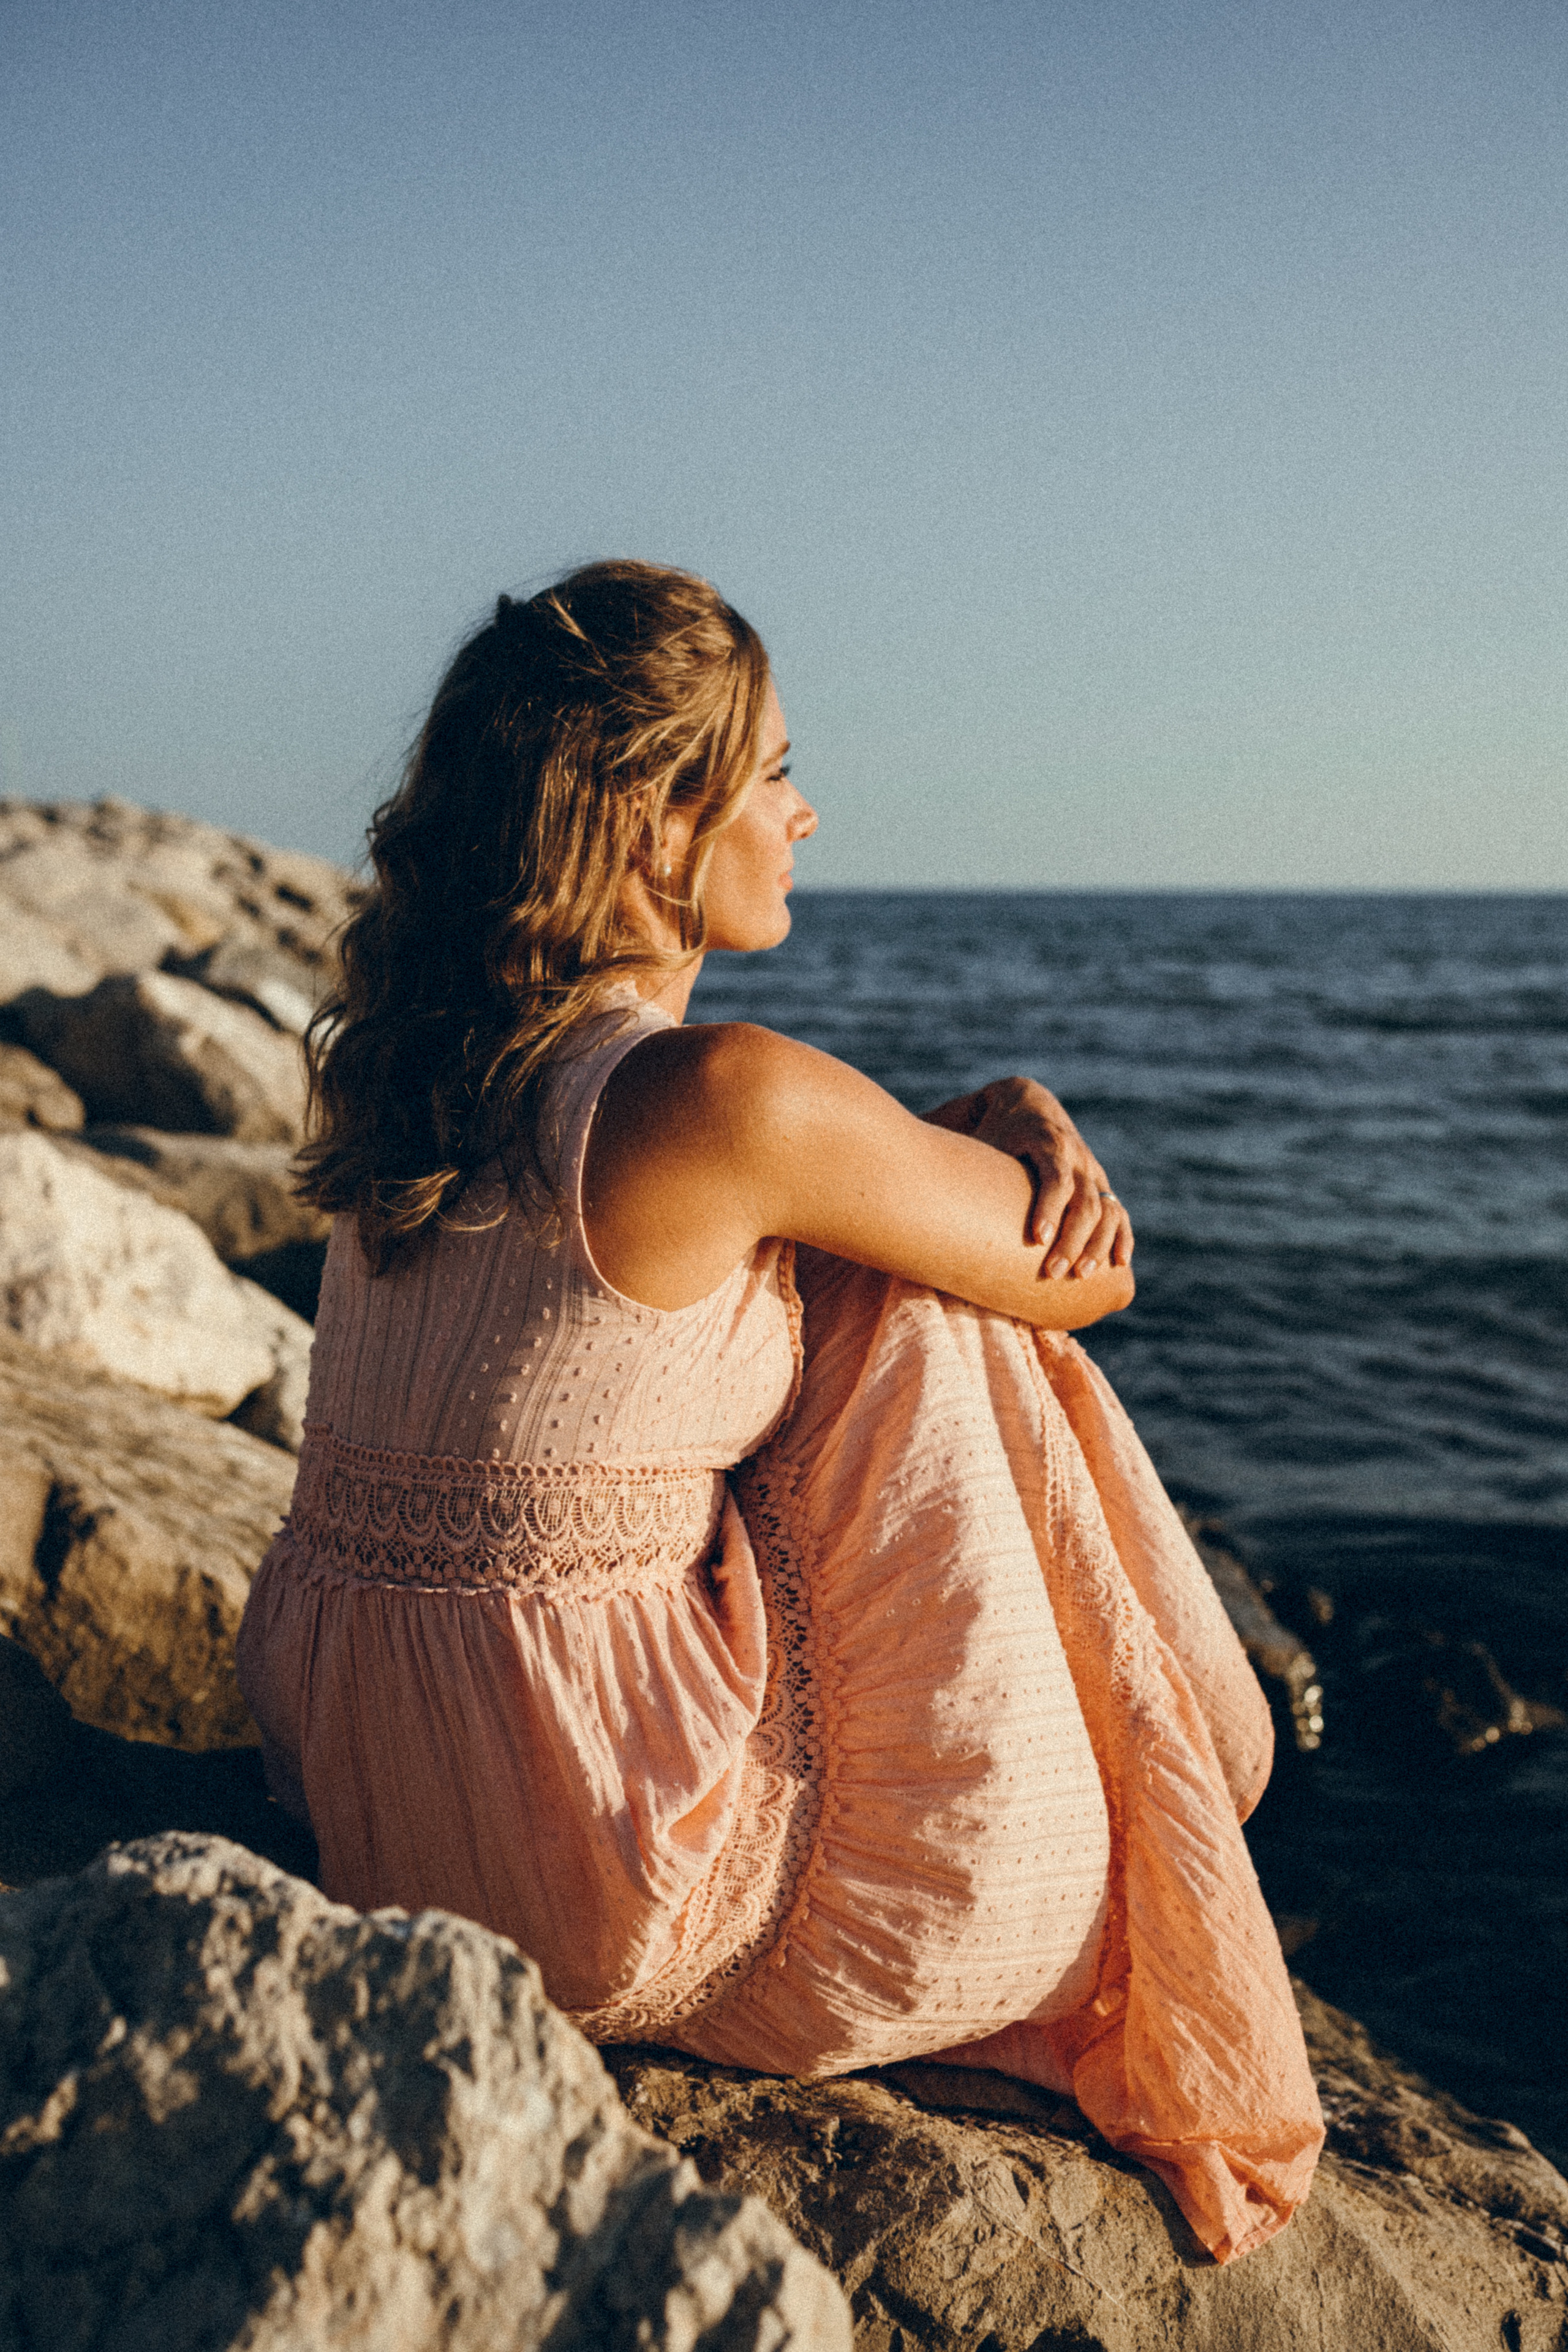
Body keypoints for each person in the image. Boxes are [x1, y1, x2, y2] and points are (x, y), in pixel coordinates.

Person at [236, 560, 1323, 2265]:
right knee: (932, 1305)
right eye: (776, 776)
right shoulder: (718, 1097)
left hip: (360, 1778)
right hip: (589, 1867)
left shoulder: (421, 1073)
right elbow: (1078, 1278)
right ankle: (1182, 1775)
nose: (808, 817)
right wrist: (1023, 1118)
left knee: (860, 1255)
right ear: (659, 828)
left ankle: (1177, 1765)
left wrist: (964, 1130)